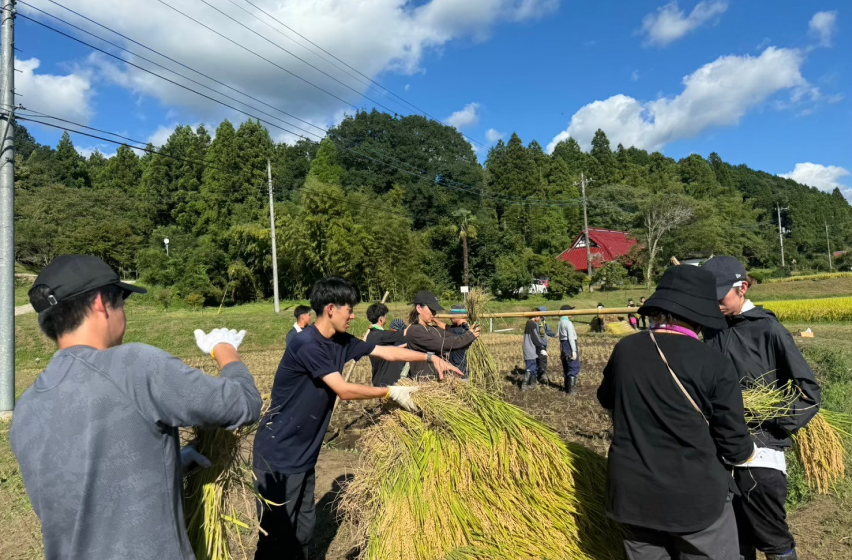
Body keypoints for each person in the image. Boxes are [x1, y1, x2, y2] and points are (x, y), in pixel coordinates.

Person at [10, 255, 263, 560]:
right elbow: (244, 403)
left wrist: (169, 461)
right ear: (102, 304)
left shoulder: (27, 408)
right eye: (122, 301)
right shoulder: (135, 366)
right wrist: (225, 350)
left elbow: (77, 493)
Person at [252, 279, 462, 559]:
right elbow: (344, 389)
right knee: (275, 540)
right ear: (330, 309)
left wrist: (428, 357)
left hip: (304, 454)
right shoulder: (306, 344)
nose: (353, 316)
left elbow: (386, 351)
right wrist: (391, 392)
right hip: (278, 455)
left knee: (302, 534)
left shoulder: (341, 341)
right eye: (349, 310)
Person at [597, 265, 756, 560]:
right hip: (695, 501)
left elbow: (606, 399)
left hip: (633, 498)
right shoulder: (714, 362)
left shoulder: (626, 349)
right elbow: (734, 443)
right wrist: (747, 452)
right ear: (702, 315)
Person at [703, 257, 822, 560]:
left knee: (772, 539)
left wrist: (763, 416)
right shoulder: (712, 329)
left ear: (742, 287)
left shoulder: (768, 329)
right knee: (734, 540)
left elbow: (809, 393)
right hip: (720, 454)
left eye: (719, 296)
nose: (714, 304)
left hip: (761, 453)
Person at [405, 291, 480, 380]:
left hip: (439, 381)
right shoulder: (415, 331)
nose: (434, 314)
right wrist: (469, 336)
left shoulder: (434, 329)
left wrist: (469, 333)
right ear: (419, 308)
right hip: (425, 382)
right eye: (431, 310)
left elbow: (453, 338)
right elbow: (443, 344)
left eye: (435, 311)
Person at [365, 302, 406, 387]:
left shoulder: (370, 336)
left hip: (378, 380)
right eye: (385, 316)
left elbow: (388, 350)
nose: (386, 318)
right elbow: (405, 333)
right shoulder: (383, 335)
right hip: (388, 382)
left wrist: (404, 346)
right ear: (381, 319)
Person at [558, 304, 580, 393]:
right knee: (574, 366)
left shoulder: (560, 323)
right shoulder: (568, 323)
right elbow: (571, 337)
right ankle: (572, 391)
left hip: (563, 344)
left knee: (566, 366)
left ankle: (567, 388)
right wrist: (574, 351)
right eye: (570, 310)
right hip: (570, 345)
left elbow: (560, 337)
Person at [447, 304, 473, 379]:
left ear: (458, 316)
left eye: (451, 316)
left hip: (459, 371)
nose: (450, 318)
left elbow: (447, 328)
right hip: (464, 370)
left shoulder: (459, 331)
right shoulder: (467, 329)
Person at [522, 314, 546, 390]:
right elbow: (535, 337)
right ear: (535, 316)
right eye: (539, 316)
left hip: (530, 348)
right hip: (530, 349)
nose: (540, 318)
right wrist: (541, 347)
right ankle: (524, 384)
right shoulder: (532, 324)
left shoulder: (529, 323)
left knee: (534, 366)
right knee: (531, 366)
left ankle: (533, 384)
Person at [535, 306, 557, 383]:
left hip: (544, 343)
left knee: (542, 359)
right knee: (541, 359)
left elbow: (548, 331)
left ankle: (541, 374)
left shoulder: (544, 321)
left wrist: (554, 335)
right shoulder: (536, 322)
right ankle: (541, 375)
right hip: (539, 344)